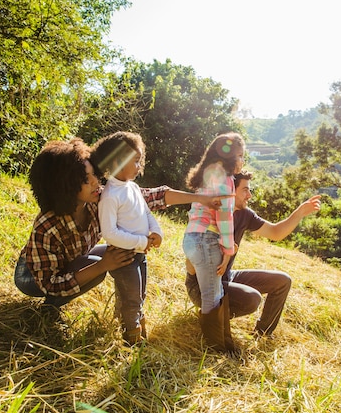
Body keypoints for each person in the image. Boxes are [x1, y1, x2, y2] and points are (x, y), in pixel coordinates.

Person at [14, 137, 228, 342]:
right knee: (97, 269)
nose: (96, 182)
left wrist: (201, 199)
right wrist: (103, 266)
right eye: (86, 180)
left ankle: (126, 312)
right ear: (65, 187)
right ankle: (50, 308)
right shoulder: (47, 226)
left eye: (94, 175)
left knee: (120, 254)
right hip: (34, 277)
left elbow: (153, 197)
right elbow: (50, 282)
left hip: (74, 258)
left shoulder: (97, 199)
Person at [185, 170, 321, 338]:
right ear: (230, 190)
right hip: (201, 286)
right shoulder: (208, 214)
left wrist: (300, 212)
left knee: (282, 281)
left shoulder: (245, 214)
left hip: (227, 277)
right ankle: (210, 319)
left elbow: (275, 232)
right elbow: (190, 263)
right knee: (251, 299)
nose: (249, 195)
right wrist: (221, 250)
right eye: (245, 190)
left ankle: (263, 334)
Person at [90, 132, 162, 345]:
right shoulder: (111, 196)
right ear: (118, 162)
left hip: (140, 254)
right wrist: (141, 242)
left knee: (139, 295)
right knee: (132, 299)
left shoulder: (133, 188)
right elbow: (110, 233)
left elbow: (146, 213)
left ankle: (135, 330)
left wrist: (156, 231)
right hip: (124, 257)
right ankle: (133, 340)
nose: (139, 166)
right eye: (136, 161)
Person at [182, 132, 245, 354]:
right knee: (212, 295)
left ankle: (223, 344)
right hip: (207, 239)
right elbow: (225, 217)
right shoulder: (225, 179)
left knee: (213, 291)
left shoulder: (208, 175)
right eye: (239, 155)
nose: (241, 161)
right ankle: (214, 349)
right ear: (229, 156)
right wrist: (228, 251)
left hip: (192, 238)